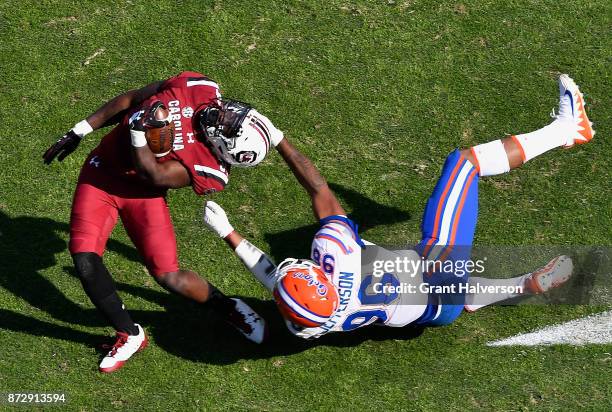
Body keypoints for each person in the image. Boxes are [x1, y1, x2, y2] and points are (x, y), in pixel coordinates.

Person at [203, 74, 593, 338]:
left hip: (437, 314)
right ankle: (567, 130)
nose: (295, 263)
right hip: (435, 269)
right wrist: (279, 138)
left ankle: (522, 285)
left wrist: (228, 232)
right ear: (318, 275)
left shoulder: (307, 326)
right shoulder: (334, 256)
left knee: (454, 297)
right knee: (464, 164)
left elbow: (275, 281)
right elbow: (318, 188)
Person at [42, 71, 284, 372]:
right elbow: (132, 98)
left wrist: (137, 131)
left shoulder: (211, 168)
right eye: (232, 115)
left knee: (168, 275)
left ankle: (229, 308)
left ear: (224, 148)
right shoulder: (199, 87)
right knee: (85, 260)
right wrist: (80, 130)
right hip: (101, 174)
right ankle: (129, 334)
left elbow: (154, 176)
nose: (223, 113)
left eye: (228, 125)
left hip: (143, 194)